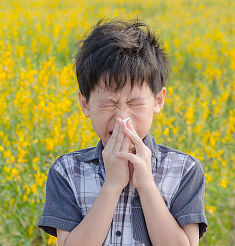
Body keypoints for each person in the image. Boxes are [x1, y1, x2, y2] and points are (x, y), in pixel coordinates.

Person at [38, 18, 208, 246]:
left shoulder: (185, 170)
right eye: (109, 103)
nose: (122, 119)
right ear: (85, 104)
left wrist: (146, 184)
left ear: (158, 101)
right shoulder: (67, 171)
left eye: (134, 103)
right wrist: (112, 185)